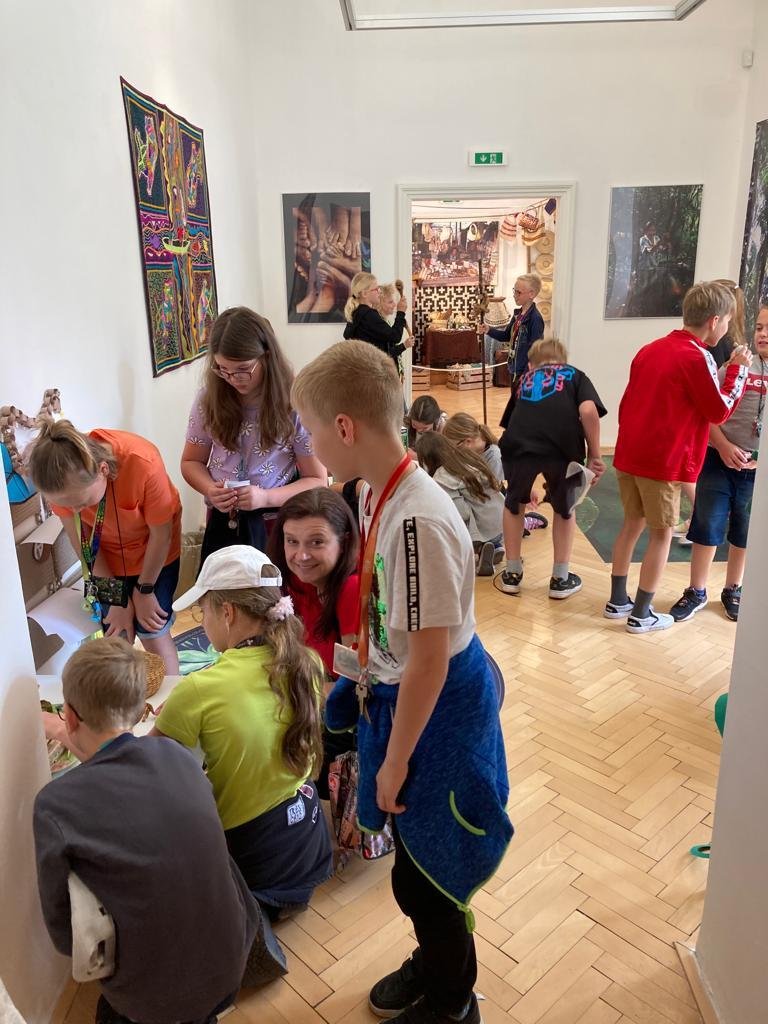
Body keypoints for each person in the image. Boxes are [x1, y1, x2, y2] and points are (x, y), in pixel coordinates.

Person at [292, 340, 512, 1024]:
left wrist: (393, 763)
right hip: (405, 692)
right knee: (413, 874)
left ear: (345, 428)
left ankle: (452, 1003)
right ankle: (436, 967)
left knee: (432, 877)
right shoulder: (370, 493)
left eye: (311, 430)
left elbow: (429, 661)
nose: (309, 445)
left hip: (438, 710)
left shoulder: (417, 519)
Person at [33, 637, 258, 1024]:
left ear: (69, 715)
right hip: (234, 960)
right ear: (141, 712)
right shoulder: (179, 756)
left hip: (152, 1001)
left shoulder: (54, 805)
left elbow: (64, 934)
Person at [153, 545, 333, 919]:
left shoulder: (200, 689)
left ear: (228, 613)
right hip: (309, 848)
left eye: (203, 611)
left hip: (254, 868)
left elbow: (145, 766)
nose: (203, 621)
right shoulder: (308, 662)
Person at [606, 281, 752, 634]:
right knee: (662, 534)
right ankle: (642, 613)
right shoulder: (696, 356)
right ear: (715, 320)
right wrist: (738, 370)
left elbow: (629, 403)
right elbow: (718, 410)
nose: (727, 327)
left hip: (630, 454)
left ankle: (617, 600)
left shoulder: (650, 349)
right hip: (663, 462)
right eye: (727, 321)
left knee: (632, 524)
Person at [26, 419, 182, 674]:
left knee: (152, 629)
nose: (75, 510)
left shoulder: (143, 462)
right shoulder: (60, 485)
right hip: (105, 558)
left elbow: (161, 536)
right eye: (66, 506)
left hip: (154, 554)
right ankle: (120, 695)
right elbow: (84, 546)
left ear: (103, 470)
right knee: (116, 633)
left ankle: (173, 694)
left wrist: (144, 590)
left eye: (82, 503)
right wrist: (116, 599)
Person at [181, 307, 327, 563]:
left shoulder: (293, 402)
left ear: (266, 357)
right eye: (222, 369)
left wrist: (265, 497)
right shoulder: (208, 399)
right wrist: (209, 489)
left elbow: (317, 479)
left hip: (275, 519)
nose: (233, 378)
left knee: (271, 586)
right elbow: (191, 462)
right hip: (224, 521)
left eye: (243, 369)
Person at [669, 304, 768, 623]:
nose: (762, 334)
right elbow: (707, 411)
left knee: (744, 530)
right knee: (707, 524)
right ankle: (696, 590)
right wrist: (723, 446)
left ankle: (733, 588)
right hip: (717, 461)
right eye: (759, 327)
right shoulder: (737, 365)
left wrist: (760, 460)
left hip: (755, 471)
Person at [498, 338, 606, 599]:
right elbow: (588, 411)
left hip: (519, 447)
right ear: (563, 361)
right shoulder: (575, 375)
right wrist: (595, 454)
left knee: (514, 505)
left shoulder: (523, 380)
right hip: (562, 449)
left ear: (531, 364)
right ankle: (560, 578)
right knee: (564, 509)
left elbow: (512, 421)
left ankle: (512, 574)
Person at [268, 487, 360, 682]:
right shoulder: (297, 580)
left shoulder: (352, 589)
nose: (302, 556)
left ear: (344, 543)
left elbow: (353, 684)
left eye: (317, 542)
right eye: (292, 541)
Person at [443, 411, 549, 534]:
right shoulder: (471, 450)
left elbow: (494, 493)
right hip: (484, 496)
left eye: (455, 448)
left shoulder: (494, 456)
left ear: (468, 442)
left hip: (494, 498)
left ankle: (523, 522)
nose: (453, 452)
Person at [415, 432, 504, 577]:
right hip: (502, 522)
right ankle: (494, 545)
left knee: (448, 520)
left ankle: (478, 548)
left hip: (484, 530)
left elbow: (461, 513)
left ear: (427, 459)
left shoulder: (442, 477)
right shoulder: (467, 457)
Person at [343, 272, 414, 371]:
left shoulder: (357, 312)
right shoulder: (368, 315)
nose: (379, 292)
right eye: (376, 289)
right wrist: (401, 312)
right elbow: (395, 337)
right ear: (364, 293)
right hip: (372, 372)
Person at [485, 274, 545, 383]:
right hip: (514, 369)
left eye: (519, 292)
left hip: (525, 374)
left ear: (531, 294)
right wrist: (488, 330)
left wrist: (527, 375)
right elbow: (506, 336)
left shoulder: (535, 319)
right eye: (514, 291)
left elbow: (535, 351)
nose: (514, 295)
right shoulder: (518, 314)